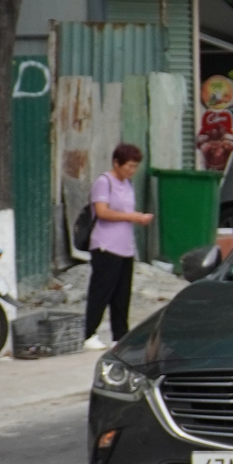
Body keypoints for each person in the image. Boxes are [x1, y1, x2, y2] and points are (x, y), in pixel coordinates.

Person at [84, 143, 155, 350]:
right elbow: (102, 211)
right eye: (129, 166)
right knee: (101, 291)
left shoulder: (128, 184)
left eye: (135, 167)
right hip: (106, 246)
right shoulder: (104, 182)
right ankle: (89, 333)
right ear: (116, 163)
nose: (132, 171)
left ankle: (119, 335)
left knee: (122, 294)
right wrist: (132, 216)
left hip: (125, 247)